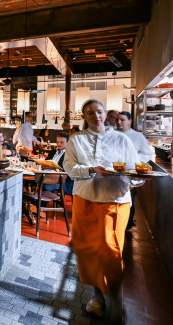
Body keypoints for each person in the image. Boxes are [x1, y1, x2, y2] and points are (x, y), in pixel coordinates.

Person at [64, 99, 139, 322]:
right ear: (84, 116)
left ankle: (116, 303)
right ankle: (97, 298)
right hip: (85, 198)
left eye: (99, 111)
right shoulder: (76, 140)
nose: (96, 116)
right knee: (88, 251)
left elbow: (133, 169)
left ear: (105, 113)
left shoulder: (122, 139)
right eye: (90, 113)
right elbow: (69, 168)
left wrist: (137, 178)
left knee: (111, 251)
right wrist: (90, 169)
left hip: (115, 200)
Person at [116, 111, 153, 231]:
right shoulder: (112, 134)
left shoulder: (137, 136)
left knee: (129, 197)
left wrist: (133, 161)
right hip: (114, 172)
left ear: (129, 121)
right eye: (117, 120)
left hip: (131, 173)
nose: (119, 122)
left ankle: (126, 225)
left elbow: (147, 154)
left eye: (122, 119)